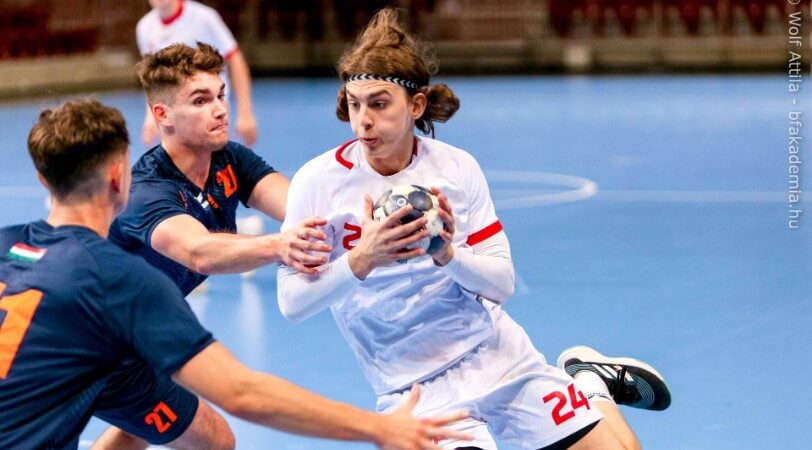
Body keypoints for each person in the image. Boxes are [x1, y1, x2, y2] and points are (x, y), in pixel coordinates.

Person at [277, 8, 671, 450]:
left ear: (416, 105)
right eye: (354, 103)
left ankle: (591, 385)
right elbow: (292, 303)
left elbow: (502, 284)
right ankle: (589, 387)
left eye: (379, 103)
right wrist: (361, 259)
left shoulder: (456, 168)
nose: (362, 121)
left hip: (498, 357)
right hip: (412, 390)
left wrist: (447, 254)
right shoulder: (318, 183)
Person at [0, 98, 470, 450]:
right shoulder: (119, 279)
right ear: (119, 176)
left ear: (43, 178)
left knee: (210, 437)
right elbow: (243, 393)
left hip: (78, 374)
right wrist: (380, 427)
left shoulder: (6, 244)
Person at [109, 42, 326, 297]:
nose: (221, 110)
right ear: (163, 115)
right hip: (102, 317)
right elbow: (199, 252)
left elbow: (303, 206)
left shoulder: (229, 159)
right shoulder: (146, 190)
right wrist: (279, 245)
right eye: (200, 101)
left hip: (155, 310)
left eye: (221, 96)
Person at [136, 0, 257, 147]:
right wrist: (150, 115)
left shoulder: (204, 18)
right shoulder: (144, 27)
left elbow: (235, 58)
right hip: (175, 112)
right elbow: (152, 78)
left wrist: (245, 112)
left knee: (210, 155)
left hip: (209, 105)